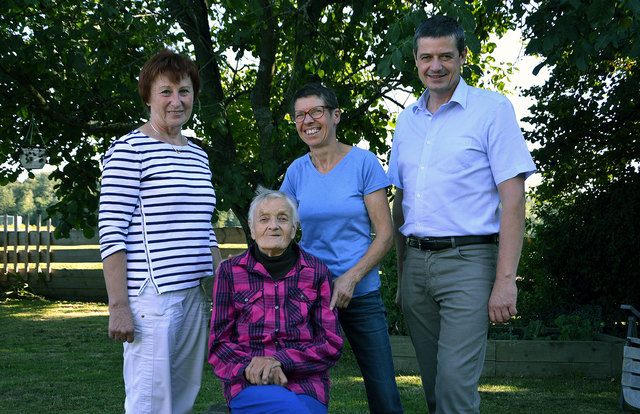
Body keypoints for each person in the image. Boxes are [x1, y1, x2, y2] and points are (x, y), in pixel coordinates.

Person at [387, 15, 537, 414]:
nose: (435, 66)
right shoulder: (407, 121)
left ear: (463, 57)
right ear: (416, 61)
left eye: (445, 56)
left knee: (455, 387)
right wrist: (403, 275)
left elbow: (514, 200)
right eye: (426, 57)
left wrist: (505, 282)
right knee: (435, 386)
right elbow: (401, 203)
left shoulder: (491, 110)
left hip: (469, 262)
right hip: (417, 264)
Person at [99, 48, 222, 414]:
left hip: (195, 295)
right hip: (153, 300)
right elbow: (111, 232)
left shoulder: (198, 155)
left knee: (182, 398)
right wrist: (119, 306)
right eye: (165, 91)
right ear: (148, 95)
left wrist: (220, 290)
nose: (176, 100)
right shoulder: (129, 149)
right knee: (150, 402)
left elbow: (206, 230)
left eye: (184, 91)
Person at [280, 83, 404, 413]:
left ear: (335, 115)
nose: (308, 120)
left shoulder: (364, 164)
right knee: (300, 384)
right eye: (300, 115)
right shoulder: (296, 172)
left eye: (316, 111)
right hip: (310, 295)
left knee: (383, 388)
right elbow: (280, 232)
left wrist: (351, 278)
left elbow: (385, 235)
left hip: (360, 293)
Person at [208, 187, 343, 414]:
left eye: (282, 218)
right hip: (249, 383)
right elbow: (219, 344)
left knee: (297, 408)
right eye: (264, 219)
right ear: (252, 229)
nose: (273, 226)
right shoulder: (230, 273)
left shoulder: (317, 271)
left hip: (306, 384)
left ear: (294, 228)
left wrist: (280, 361)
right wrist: (254, 368)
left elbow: (330, 343)